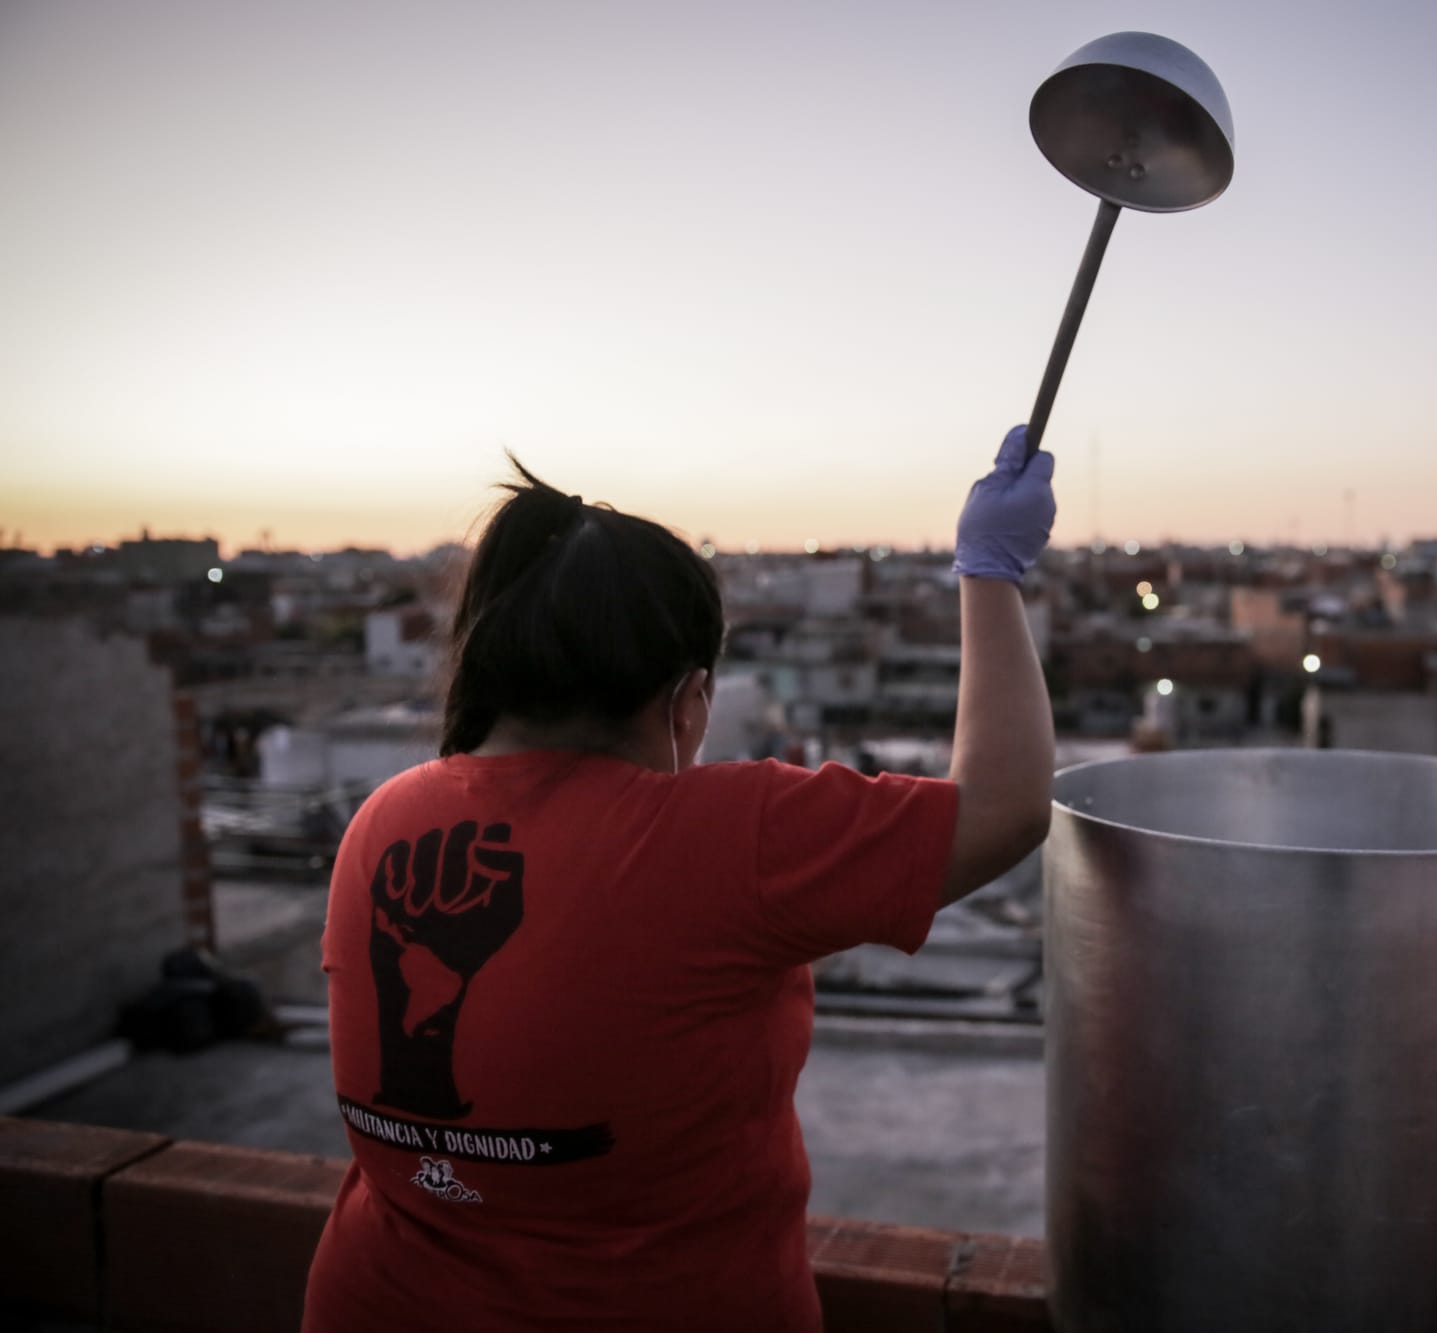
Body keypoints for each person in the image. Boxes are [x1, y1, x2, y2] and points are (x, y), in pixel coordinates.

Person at [304, 427, 1057, 1331]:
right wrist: (989, 573)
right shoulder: (721, 835)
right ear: (689, 700)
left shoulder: (381, 822)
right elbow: (1005, 808)